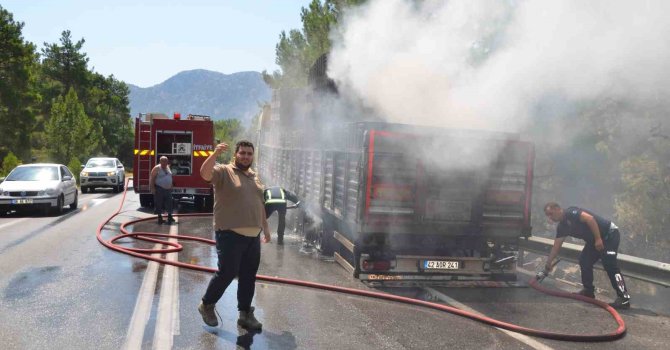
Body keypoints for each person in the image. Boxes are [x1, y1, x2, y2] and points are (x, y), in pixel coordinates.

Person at [197, 140, 271, 330]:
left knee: (248, 275)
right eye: (242, 153)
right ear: (235, 155)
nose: (246, 156)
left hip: (253, 236)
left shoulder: (254, 176)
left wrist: (266, 228)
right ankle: (207, 305)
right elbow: (204, 174)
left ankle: (245, 314)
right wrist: (214, 154)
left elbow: (259, 204)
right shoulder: (224, 171)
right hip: (230, 233)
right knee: (227, 272)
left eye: (249, 153)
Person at [542, 202, 631, 309]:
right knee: (584, 261)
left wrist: (598, 239)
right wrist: (548, 263)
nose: (550, 218)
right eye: (548, 215)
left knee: (610, 266)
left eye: (551, 214)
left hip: (609, 235)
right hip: (594, 241)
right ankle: (588, 291)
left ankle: (624, 299)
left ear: (557, 209)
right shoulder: (562, 227)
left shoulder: (571, 212)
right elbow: (556, 247)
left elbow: (590, 219)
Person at [149, 156, 175, 225]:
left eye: (166, 161)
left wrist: (171, 185)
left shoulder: (168, 167)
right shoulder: (157, 168)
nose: (164, 163)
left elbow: (170, 176)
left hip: (168, 189)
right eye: (163, 161)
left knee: (169, 203)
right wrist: (153, 188)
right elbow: (152, 178)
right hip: (159, 188)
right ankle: (160, 218)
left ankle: (170, 216)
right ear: (160, 162)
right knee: (159, 203)